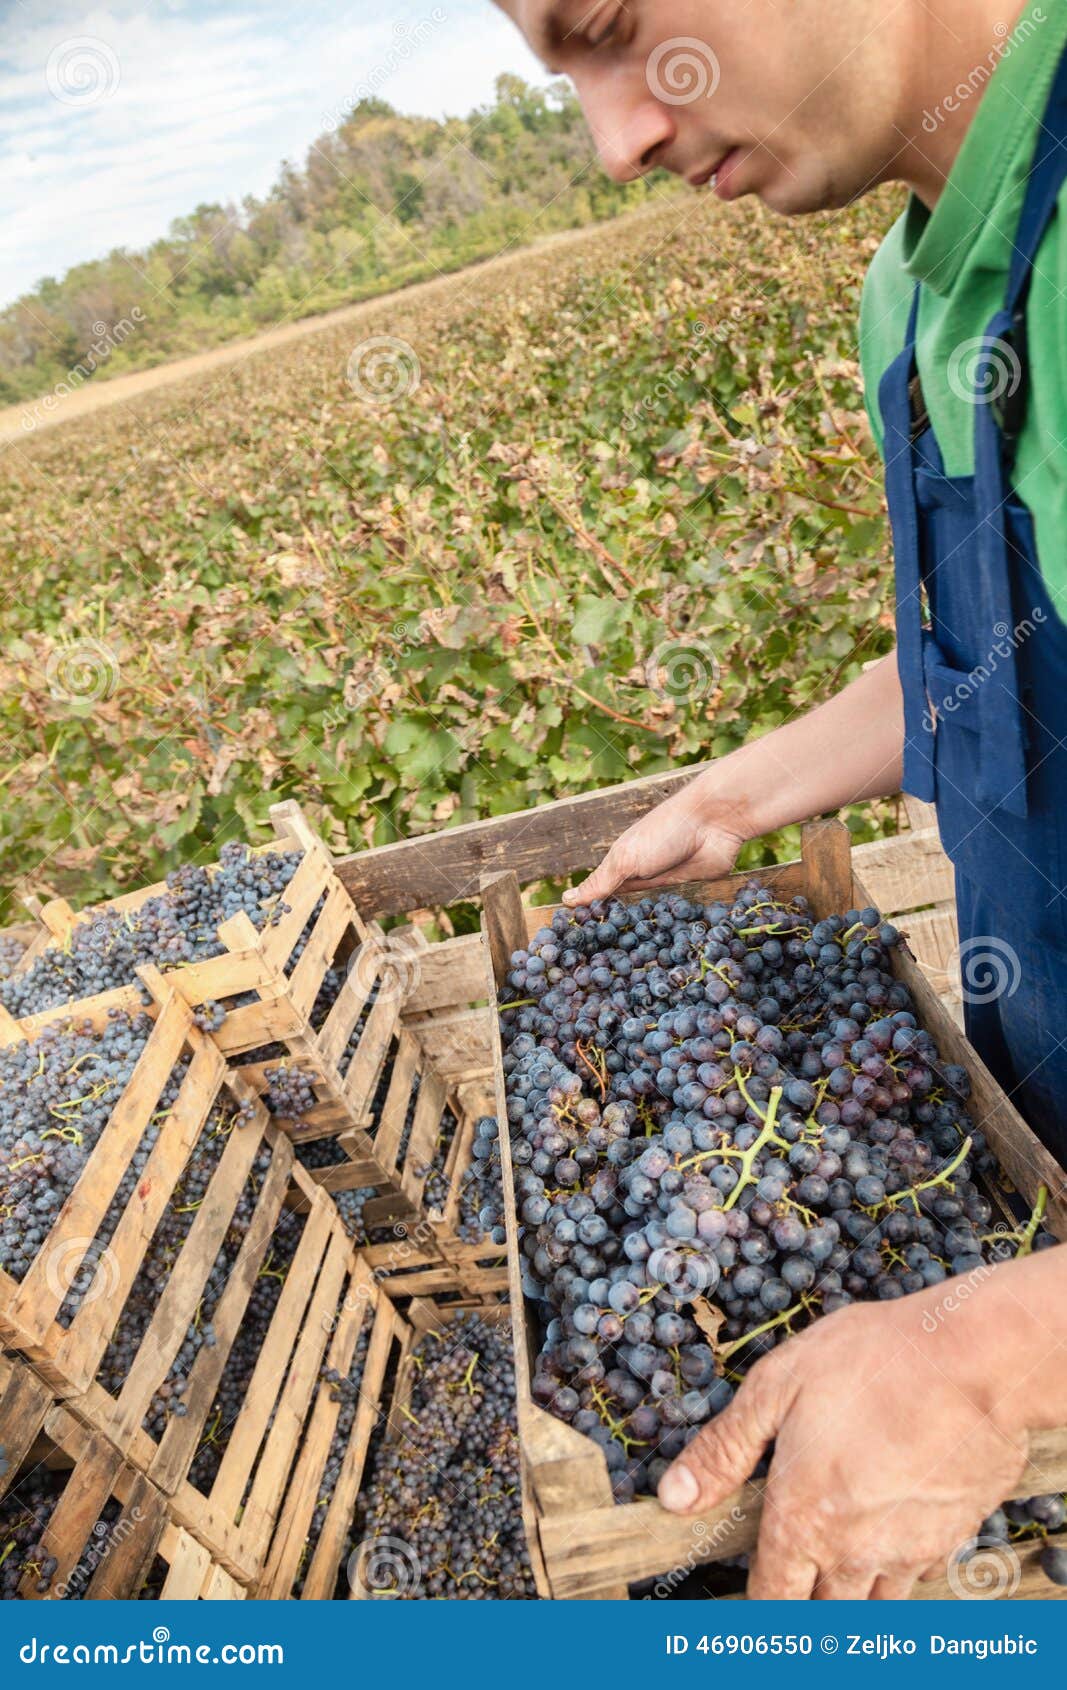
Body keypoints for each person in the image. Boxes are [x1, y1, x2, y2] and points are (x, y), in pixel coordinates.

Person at [493, 0, 1067, 1598]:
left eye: (608, 27)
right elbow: (1002, 653)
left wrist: (987, 1357)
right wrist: (743, 795)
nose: (620, 138)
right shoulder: (917, 287)